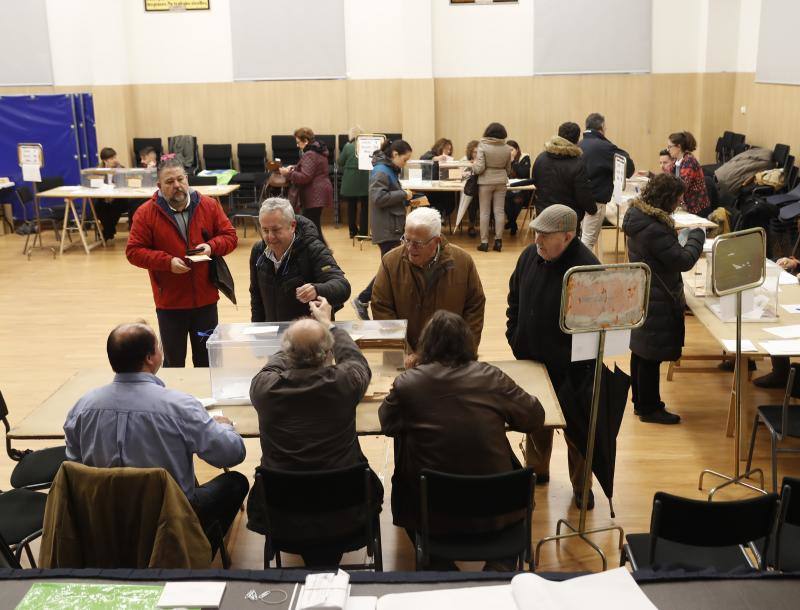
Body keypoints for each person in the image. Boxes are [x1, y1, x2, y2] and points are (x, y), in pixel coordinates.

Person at [379, 310, 545, 571]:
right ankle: (498, 568)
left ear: (426, 346)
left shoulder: (408, 384)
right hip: (498, 506)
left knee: (407, 485)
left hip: (434, 511)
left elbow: (387, 423)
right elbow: (535, 417)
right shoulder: (492, 377)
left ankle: (443, 568)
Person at [63, 322, 248, 548]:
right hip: (169, 519)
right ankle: (191, 548)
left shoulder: (82, 407)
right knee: (236, 482)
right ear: (151, 358)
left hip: (103, 519)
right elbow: (231, 454)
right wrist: (225, 427)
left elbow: (74, 464)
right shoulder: (180, 406)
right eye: (159, 346)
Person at [248, 296, 383, 567]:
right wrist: (329, 326)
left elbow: (273, 365)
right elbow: (356, 361)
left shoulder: (264, 388)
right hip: (346, 513)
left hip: (283, 516)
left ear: (288, 352)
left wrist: (298, 341)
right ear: (327, 354)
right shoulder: (344, 383)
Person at [506, 204, 598, 509]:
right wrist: (514, 336)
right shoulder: (529, 256)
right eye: (536, 233)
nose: (537, 240)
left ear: (569, 236)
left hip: (574, 369)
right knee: (534, 422)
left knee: (579, 431)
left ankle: (582, 487)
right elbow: (514, 299)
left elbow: (598, 324)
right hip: (532, 361)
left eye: (546, 236)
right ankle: (536, 472)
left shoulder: (588, 269)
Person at [126, 157, 238, 367]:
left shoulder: (209, 205)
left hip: (205, 302)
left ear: (187, 179)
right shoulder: (145, 213)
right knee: (173, 362)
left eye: (180, 179)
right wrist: (167, 262)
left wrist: (212, 246)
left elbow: (230, 237)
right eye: (169, 182)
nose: (177, 185)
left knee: (207, 361)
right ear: (159, 186)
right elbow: (133, 251)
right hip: (170, 304)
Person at [623, 174, 705, 424]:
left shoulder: (638, 217)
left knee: (641, 349)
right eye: (678, 200)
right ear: (667, 199)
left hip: (643, 290)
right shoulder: (655, 228)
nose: (678, 204)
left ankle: (641, 402)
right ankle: (650, 408)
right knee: (651, 354)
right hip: (657, 295)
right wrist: (696, 237)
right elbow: (683, 260)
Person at [371, 207, 485, 356]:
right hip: (403, 360)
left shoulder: (463, 262)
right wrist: (405, 352)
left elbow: (475, 307)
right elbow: (381, 308)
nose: (410, 248)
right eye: (406, 239)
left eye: (418, 243)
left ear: (436, 241)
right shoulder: (390, 262)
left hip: (450, 360)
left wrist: (463, 353)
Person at [250, 197, 350, 322]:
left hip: (309, 336)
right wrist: (257, 331)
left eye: (276, 230)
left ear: (292, 226)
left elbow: (343, 287)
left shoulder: (313, 249)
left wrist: (317, 290)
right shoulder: (258, 251)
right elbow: (256, 296)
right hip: (272, 336)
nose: (270, 237)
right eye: (265, 230)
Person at [351, 139, 414, 320]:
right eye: (405, 159)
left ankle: (370, 300)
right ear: (394, 155)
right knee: (391, 268)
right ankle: (363, 299)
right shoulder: (381, 170)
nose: (405, 163)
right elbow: (378, 198)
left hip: (391, 226)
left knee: (391, 268)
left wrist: (406, 199)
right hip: (387, 229)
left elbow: (387, 195)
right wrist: (403, 194)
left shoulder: (387, 169)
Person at [579, 112, 635, 254]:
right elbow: (629, 166)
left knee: (582, 237)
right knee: (588, 240)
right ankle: (580, 273)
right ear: (602, 127)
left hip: (579, 198)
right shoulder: (604, 147)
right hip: (595, 200)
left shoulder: (580, 144)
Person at [530, 122, 596, 229]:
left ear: (558, 135)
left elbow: (536, 182)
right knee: (567, 246)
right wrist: (592, 209)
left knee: (543, 245)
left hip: (543, 215)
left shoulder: (541, 158)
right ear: (577, 140)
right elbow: (583, 194)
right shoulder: (577, 164)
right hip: (567, 219)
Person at [279, 127, 333, 241]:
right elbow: (311, 169)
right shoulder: (318, 151)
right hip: (318, 192)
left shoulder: (310, 154)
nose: (298, 145)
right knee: (314, 225)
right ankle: (323, 252)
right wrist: (294, 168)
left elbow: (305, 177)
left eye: (299, 142)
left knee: (311, 226)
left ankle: (322, 253)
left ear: (306, 141)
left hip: (314, 194)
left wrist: (287, 173)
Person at [473, 122, 512, 252]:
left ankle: (484, 243)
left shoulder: (482, 146)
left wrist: (472, 166)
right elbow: (508, 168)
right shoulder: (507, 148)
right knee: (499, 211)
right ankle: (498, 241)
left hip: (485, 181)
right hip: (501, 181)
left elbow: (479, 168)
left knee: (484, 212)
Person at [667, 131, 712, 217]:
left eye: (670, 147)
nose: (667, 150)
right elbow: (667, 180)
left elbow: (681, 187)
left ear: (678, 147)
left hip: (697, 210)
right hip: (686, 208)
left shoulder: (689, 162)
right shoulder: (676, 161)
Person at [338, 126, 370, 238]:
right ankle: (364, 231)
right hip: (365, 178)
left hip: (350, 180)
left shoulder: (348, 147)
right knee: (365, 206)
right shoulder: (367, 146)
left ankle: (352, 231)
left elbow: (340, 162)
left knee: (351, 206)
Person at [95, 147, 126, 243]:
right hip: (104, 198)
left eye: (115, 157)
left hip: (118, 198)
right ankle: (110, 231)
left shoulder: (121, 169)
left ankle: (107, 232)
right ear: (105, 160)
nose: (115, 160)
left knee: (116, 207)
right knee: (98, 207)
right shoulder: (98, 171)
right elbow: (95, 185)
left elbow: (125, 184)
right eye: (112, 158)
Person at [421, 138, 455, 221]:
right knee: (437, 197)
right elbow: (423, 158)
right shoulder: (431, 154)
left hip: (443, 187)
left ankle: (441, 215)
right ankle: (436, 216)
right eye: (446, 149)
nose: (448, 151)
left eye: (450, 149)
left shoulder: (448, 159)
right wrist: (436, 158)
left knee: (450, 195)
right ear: (440, 147)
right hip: (430, 188)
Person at [504, 140, 532, 236]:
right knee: (505, 200)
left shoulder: (525, 158)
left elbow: (523, 174)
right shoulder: (504, 159)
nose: (509, 152)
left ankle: (511, 222)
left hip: (522, 189)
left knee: (517, 200)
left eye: (511, 150)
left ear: (517, 150)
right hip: (508, 188)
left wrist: (514, 162)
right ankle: (513, 223)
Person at [462, 140, 480, 237]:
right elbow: (461, 174)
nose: (476, 154)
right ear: (470, 152)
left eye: (478, 152)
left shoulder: (483, 161)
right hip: (467, 189)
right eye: (474, 152)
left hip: (480, 188)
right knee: (472, 200)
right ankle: (471, 225)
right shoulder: (464, 160)